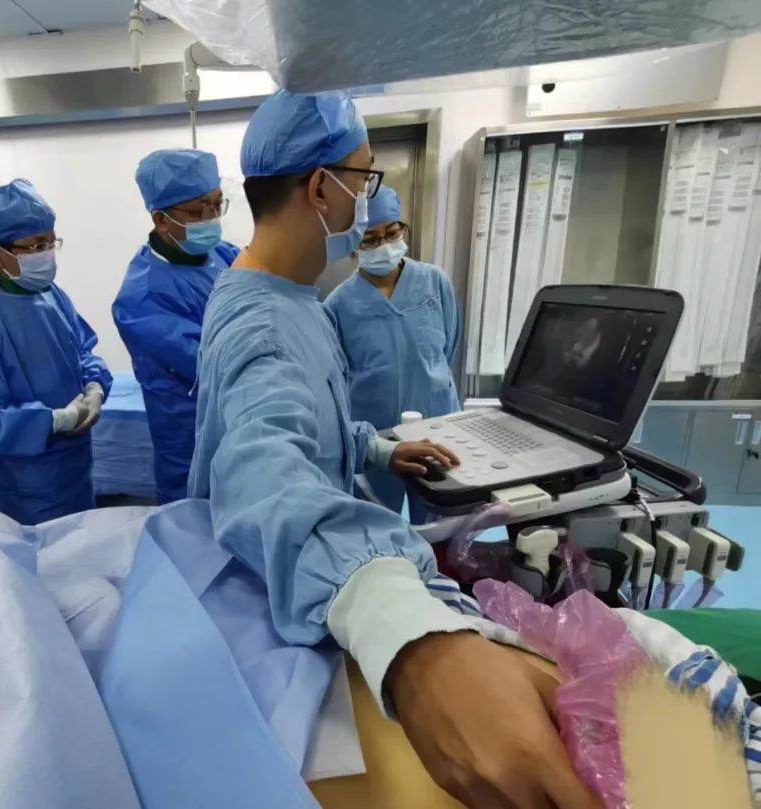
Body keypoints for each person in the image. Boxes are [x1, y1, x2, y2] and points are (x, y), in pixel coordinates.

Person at [188, 90, 600, 809]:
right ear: (322, 187)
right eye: (364, 176)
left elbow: (311, 424)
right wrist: (408, 636)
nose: (367, 199)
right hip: (275, 603)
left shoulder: (283, 294)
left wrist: (377, 450)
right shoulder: (265, 323)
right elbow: (264, 471)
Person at [0, 179, 112, 525]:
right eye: (36, 246)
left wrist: (94, 386)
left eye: (51, 242)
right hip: (26, 486)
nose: (46, 253)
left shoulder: (48, 294)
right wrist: (55, 420)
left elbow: (83, 350)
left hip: (75, 469)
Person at [325, 186, 461, 519]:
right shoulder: (338, 305)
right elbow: (336, 380)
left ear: (403, 228)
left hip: (438, 426)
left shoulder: (434, 282)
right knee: (373, 522)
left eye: (392, 233)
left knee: (442, 522)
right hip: (376, 437)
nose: (384, 246)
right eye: (369, 240)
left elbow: (448, 347)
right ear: (353, 245)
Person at [112, 149, 239, 503]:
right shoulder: (142, 297)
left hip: (240, 428)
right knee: (195, 527)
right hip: (192, 445)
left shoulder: (221, 254)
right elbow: (214, 364)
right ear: (161, 219)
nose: (211, 217)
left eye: (217, 204)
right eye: (198, 211)